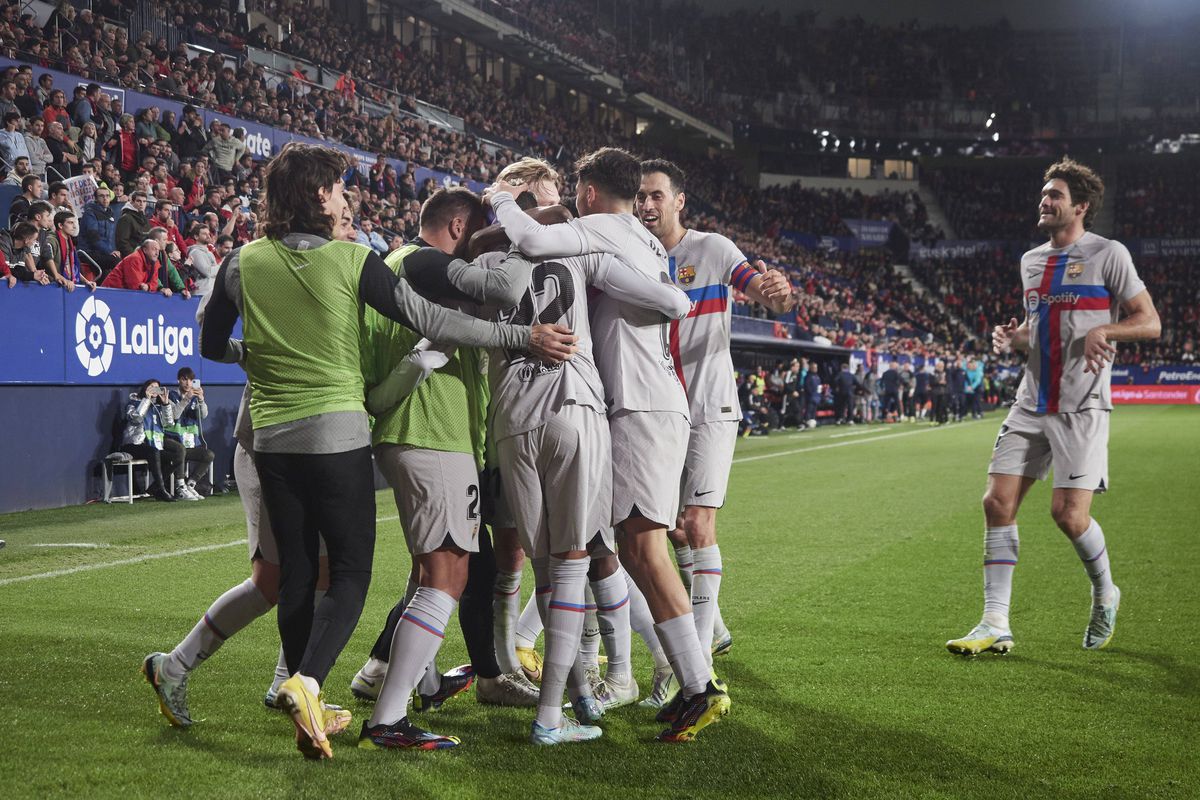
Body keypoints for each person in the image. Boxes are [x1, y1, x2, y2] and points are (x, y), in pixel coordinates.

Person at [197, 142, 575, 760]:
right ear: (318, 194)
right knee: (356, 575)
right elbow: (435, 321)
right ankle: (327, 689)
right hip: (349, 432)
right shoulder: (356, 260)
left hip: (272, 438)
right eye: (338, 189)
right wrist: (520, 335)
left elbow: (211, 345)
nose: (345, 199)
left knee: (299, 575)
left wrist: (252, 356)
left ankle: (311, 691)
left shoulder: (243, 261)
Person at [351, 188, 541, 753]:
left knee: (430, 573)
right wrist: (524, 235)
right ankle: (388, 718)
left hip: (416, 430)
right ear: (459, 226)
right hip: (431, 431)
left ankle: (412, 679)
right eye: (476, 237)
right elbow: (503, 288)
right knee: (449, 574)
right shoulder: (421, 262)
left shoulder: (394, 264)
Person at [947, 158, 1160, 656]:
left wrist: (1107, 329)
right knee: (996, 502)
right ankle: (995, 622)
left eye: (1055, 195)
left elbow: (1149, 321)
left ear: (1081, 206)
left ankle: (1105, 592)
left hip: (1081, 405)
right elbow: (1036, 329)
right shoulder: (1031, 261)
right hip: (1031, 401)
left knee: (1068, 515)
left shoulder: (1108, 254)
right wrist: (1014, 338)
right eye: (1044, 193)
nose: (1045, 201)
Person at [634, 159, 794, 702]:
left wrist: (778, 292)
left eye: (656, 195)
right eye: (640, 196)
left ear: (680, 201)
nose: (647, 205)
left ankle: (696, 666)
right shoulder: (633, 253)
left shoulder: (714, 249)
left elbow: (767, 295)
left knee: (698, 524)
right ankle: (715, 628)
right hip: (658, 410)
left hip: (709, 405)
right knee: (670, 530)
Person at [119, 379, 181, 502]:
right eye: (151, 387)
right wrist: (146, 400)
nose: (154, 390)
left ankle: (155, 488)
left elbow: (169, 424)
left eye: (157, 387)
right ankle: (162, 490)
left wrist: (166, 405)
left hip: (153, 446)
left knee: (176, 457)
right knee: (153, 452)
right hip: (133, 444)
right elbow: (136, 419)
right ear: (145, 389)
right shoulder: (133, 403)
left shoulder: (158, 407)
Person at [166, 367, 214, 498]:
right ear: (178, 380)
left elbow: (203, 415)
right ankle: (180, 487)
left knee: (208, 455)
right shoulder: (170, 396)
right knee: (180, 450)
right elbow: (174, 415)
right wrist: (186, 399)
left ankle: (191, 484)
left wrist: (201, 400)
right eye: (184, 379)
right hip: (174, 442)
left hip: (190, 443)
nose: (188, 383)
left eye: (191, 380)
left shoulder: (195, 398)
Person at [116, 191, 151, 256]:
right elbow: (122, 241)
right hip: (132, 256)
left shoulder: (144, 218)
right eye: (138, 201)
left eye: (144, 201)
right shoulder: (126, 218)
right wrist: (134, 255)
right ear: (132, 202)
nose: (142, 204)